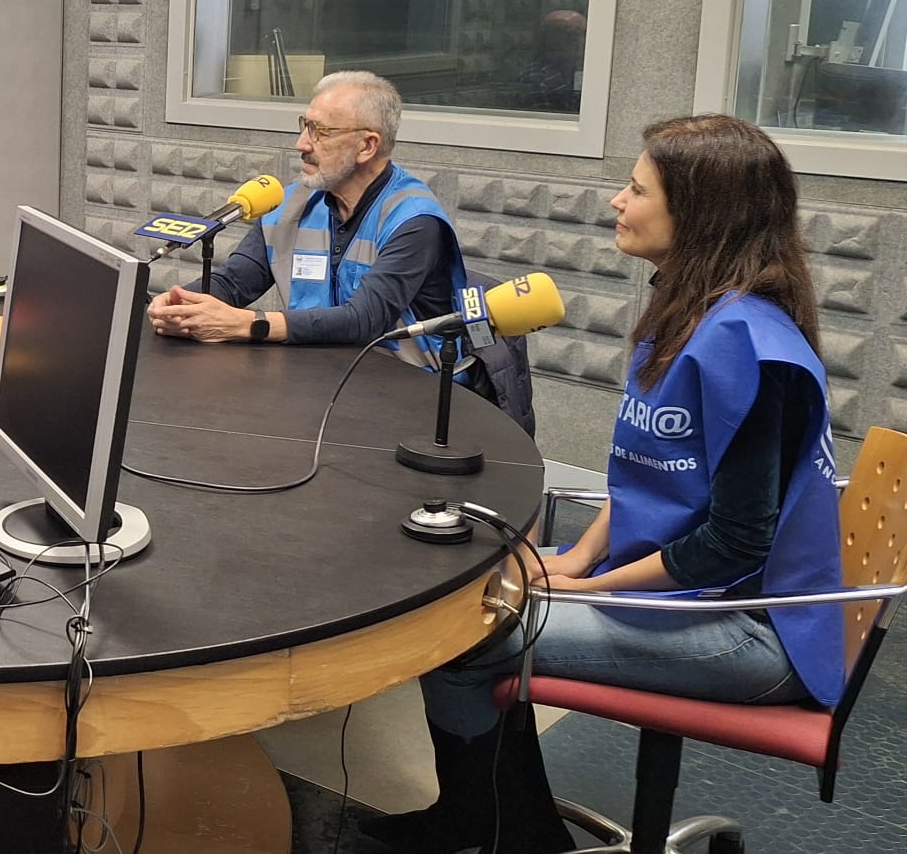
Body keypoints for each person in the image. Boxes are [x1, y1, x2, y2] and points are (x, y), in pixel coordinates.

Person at [362, 114, 845, 854]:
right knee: (484, 604)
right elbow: (650, 474)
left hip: (755, 629)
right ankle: (493, 817)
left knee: (463, 635)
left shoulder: (750, 346)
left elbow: (733, 544)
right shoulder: (692, 311)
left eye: (636, 188)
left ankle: (503, 829)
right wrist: (579, 559)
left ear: (699, 212)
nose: (617, 201)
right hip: (691, 599)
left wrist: (591, 592)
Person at [147, 71, 466, 370]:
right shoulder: (287, 204)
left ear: (367, 146)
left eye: (320, 132)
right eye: (305, 125)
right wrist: (180, 306)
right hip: (315, 375)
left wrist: (247, 323)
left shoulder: (414, 220)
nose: (301, 144)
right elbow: (234, 282)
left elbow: (364, 320)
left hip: (408, 393)